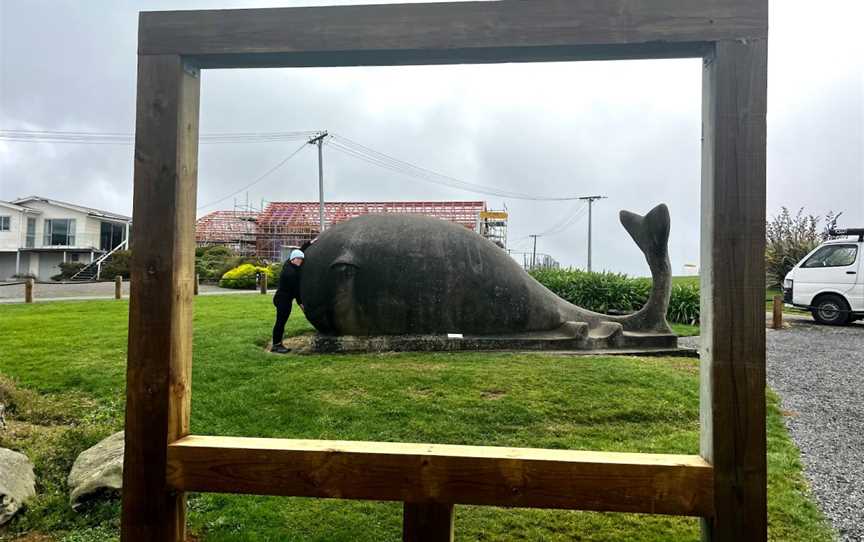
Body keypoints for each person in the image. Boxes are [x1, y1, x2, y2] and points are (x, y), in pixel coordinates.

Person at [271, 249, 304, 354]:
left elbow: (298, 251)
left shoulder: (288, 264)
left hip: (281, 298)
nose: (300, 261)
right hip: (283, 300)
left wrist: (309, 243)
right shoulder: (290, 273)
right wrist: (301, 304)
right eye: (298, 259)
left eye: (301, 259)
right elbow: (296, 291)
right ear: (293, 259)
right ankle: (276, 346)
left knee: (281, 322)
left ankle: (277, 343)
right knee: (280, 322)